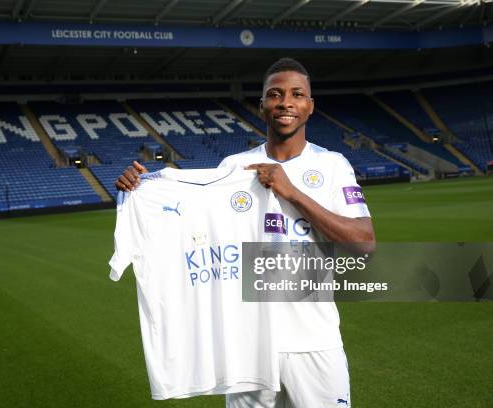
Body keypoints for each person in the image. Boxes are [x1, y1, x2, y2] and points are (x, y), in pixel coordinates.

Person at [115, 57, 375, 407]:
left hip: (313, 338)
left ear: (310, 106)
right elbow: (191, 227)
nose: (285, 102)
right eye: (275, 94)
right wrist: (139, 189)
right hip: (248, 344)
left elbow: (363, 244)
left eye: (297, 94)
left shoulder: (332, 165)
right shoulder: (234, 167)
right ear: (262, 105)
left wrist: (291, 191)